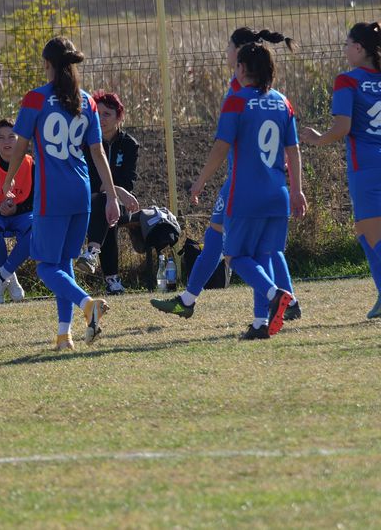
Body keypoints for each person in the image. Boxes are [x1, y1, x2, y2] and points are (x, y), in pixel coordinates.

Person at [152, 27, 297, 319]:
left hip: (243, 184)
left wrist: (201, 181)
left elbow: (225, 143)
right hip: (263, 182)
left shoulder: (239, 90)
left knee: (241, 250)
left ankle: (283, 301)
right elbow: (284, 139)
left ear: (241, 55)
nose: (226, 53)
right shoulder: (273, 96)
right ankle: (191, 299)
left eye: (229, 47)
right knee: (221, 237)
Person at [2, 37, 120, 351]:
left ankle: (87, 305)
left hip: (51, 195)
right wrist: (110, 196)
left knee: (45, 267)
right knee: (64, 265)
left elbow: (21, 144)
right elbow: (97, 153)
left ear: (49, 65)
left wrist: (8, 181)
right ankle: (63, 335)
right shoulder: (87, 101)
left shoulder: (36, 99)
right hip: (80, 193)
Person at [191, 42, 304, 339]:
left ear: (242, 69)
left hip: (246, 194)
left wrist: (201, 180)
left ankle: (275, 295)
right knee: (263, 256)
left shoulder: (237, 101)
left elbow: (220, 147)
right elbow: (293, 152)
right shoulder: (283, 102)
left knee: (235, 256)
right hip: (278, 194)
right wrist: (297, 191)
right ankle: (259, 323)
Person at [300, 22, 381, 319]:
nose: (345, 50)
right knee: (363, 231)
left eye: (347, 45)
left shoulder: (348, 80)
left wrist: (318, 138)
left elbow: (342, 127)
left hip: (367, 166)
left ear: (359, 48)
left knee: (373, 234)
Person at [78, 91, 140, 294]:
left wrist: (118, 192)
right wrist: (117, 191)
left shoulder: (129, 145)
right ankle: (112, 279)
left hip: (120, 204)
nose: (101, 119)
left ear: (119, 117)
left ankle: (92, 252)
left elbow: (129, 180)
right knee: (105, 203)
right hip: (91, 200)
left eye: (107, 114)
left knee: (109, 207)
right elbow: (93, 181)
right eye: (98, 114)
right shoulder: (88, 144)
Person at [0, 118, 33, 304]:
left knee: (37, 230)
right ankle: (11, 279)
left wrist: (15, 209)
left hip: (20, 213)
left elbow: (34, 199)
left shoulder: (29, 163)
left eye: (11, 137)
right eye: (1, 137)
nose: (6, 142)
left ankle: (1, 276)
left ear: (19, 139)